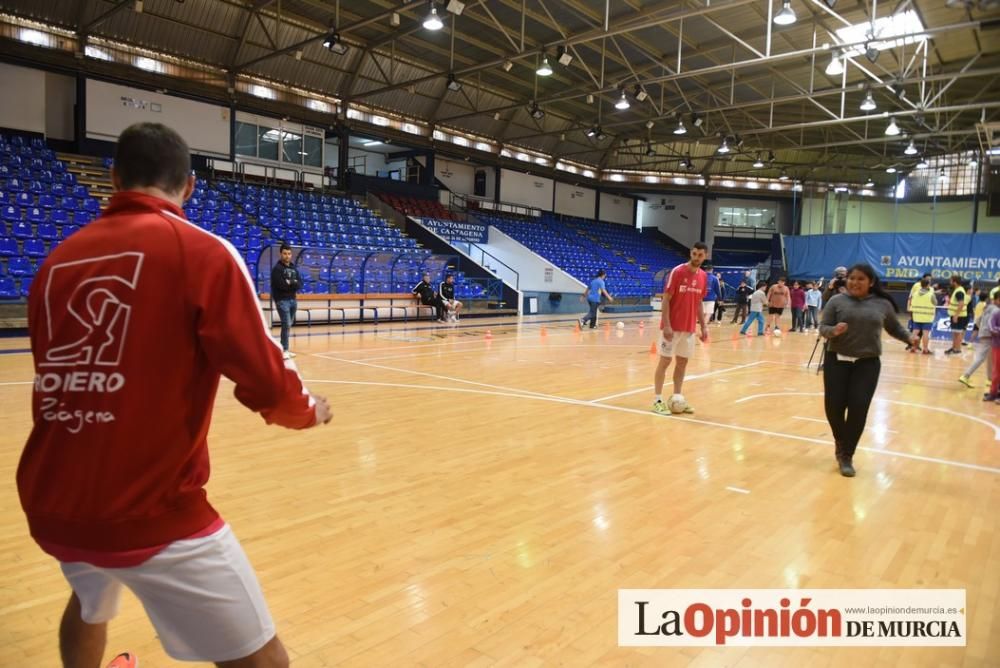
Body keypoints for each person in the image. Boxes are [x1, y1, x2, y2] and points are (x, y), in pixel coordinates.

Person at [16, 122, 333, 667]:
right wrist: (307, 412)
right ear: (189, 186)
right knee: (265, 662)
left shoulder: (55, 263)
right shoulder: (201, 253)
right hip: (151, 508)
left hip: (56, 500)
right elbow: (264, 376)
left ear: (115, 179)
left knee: (91, 599)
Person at [819, 263, 918, 477]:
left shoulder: (882, 304)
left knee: (858, 408)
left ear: (871, 282)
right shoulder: (837, 301)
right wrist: (833, 331)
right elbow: (823, 327)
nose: (854, 282)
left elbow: (894, 328)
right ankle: (840, 440)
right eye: (852, 278)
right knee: (834, 407)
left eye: (860, 279)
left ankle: (846, 455)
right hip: (837, 360)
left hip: (867, 363)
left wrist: (909, 338)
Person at [652, 242, 710, 415]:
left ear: (705, 256)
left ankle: (677, 397)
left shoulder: (703, 276)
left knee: (682, 362)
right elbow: (666, 299)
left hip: (689, 329)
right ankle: (657, 400)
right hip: (672, 328)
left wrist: (703, 326)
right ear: (691, 253)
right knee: (665, 361)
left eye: (700, 255)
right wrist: (667, 325)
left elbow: (699, 302)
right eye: (694, 254)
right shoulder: (677, 272)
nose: (696, 257)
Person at [960, 290, 998, 388]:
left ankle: (990, 379)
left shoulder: (987, 308)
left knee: (988, 358)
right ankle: (966, 375)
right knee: (982, 358)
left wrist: (982, 329)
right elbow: (992, 325)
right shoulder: (996, 310)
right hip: (990, 335)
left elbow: (977, 321)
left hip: (984, 334)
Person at [270, 243, 301, 359]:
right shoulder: (277, 269)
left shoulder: (293, 268)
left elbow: (299, 284)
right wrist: (293, 283)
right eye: (285, 253)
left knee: (288, 325)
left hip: (293, 300)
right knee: (286, 324)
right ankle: (284, 349)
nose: (287, 256)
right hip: (282, 301)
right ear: (281, 254)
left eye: (289, 254)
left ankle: (286, 349)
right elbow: (281, 285)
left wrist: (291, 283)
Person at [905, 273, 934, 351]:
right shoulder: (916, 286)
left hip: (918, 313)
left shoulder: (931, 289)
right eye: (928, 279)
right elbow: (910, 298)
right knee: (917, 331)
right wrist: (909, 309)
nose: (929, 280)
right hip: (923, 315)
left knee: (916, 331)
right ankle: (912, 345)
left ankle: (915, 346)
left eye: (930, 279)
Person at [945, 275, 968, 355]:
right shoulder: (957, 290)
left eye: (951, 281)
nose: (950, 282)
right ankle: (954, 348)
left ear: (954, 282)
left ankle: (957, 350)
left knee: (958, 333)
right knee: (955, 333)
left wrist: (956, 315)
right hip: (955, 315)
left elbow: (961, 304)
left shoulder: (959, 291)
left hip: (959, 316)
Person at [985, 294, 1000, 403]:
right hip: (997, 346)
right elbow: (991, 328)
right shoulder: (996, 313)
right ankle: (993, 392)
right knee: (996, 371)